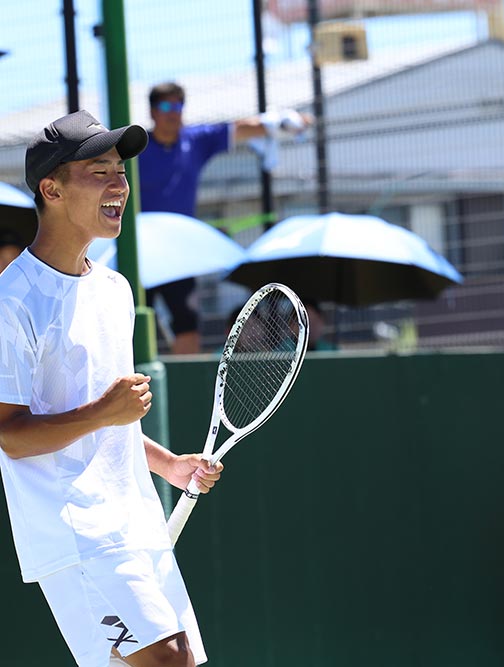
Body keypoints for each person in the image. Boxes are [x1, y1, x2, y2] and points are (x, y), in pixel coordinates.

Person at [0, 109, 224, 667]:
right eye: (99, 172)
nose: (119, 185)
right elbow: (11, 436)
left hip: (136, 524)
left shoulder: (115, 289)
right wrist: (105, 412)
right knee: (167, 660)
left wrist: (168, 464)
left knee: (182, 661)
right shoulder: (11, 302)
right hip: (76, 536)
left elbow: (108, 422)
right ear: (51, 189)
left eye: (120, 172)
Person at [139, 81, 308, 355]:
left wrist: (284, 123)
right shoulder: (137, 147)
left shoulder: (194, 141)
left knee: (187, 324)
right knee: (130, 322)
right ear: (152, 111)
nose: (173, 112)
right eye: (166, 105)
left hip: (178, 254)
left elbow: (239, 128)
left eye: (179, 105)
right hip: (139, 254)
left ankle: (183, 381)